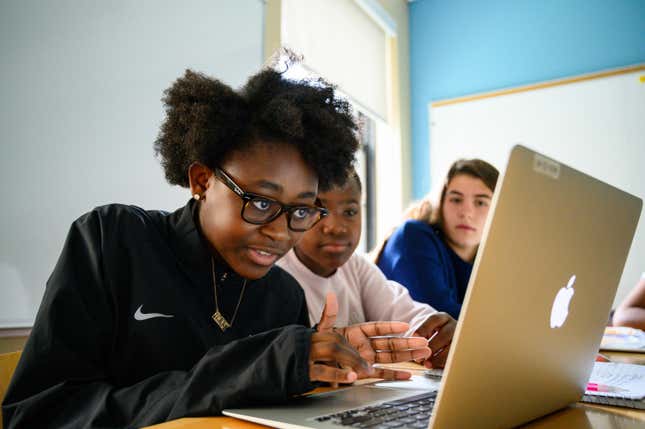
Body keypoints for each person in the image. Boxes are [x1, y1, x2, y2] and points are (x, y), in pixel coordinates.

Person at [2, 56, 429, 428]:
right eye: (260, 202)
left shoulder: (283, 297)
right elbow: (40, 415)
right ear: (202, 180)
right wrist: (249, 370)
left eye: (301, 211)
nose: (281, 233)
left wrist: (330, 377)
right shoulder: (114, 241)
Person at [277, 170, 457, 368]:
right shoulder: (275, 276)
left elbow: (404, 314)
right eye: (317, 211)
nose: (336, 227)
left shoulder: (356, 267)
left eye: (350, 212)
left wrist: (437, 330)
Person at [375, 159, 499, 319]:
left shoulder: (493, 258)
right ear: (440, 203)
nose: (466, 212)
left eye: (481, 202)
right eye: (456, 199)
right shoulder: (413, 237)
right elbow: (440, 322)